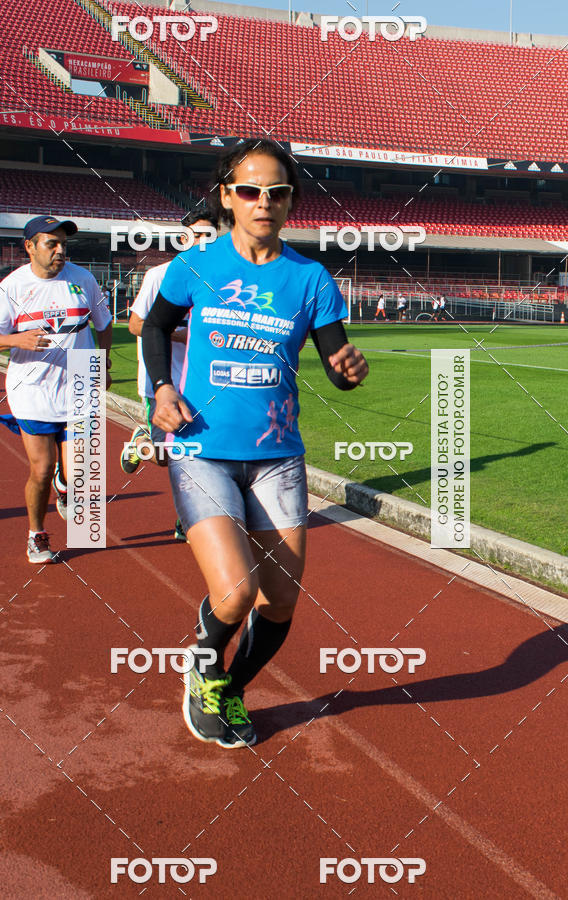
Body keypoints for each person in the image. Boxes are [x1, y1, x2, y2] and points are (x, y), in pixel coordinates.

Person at [142, 138, 368, 749]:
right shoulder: (197, 266)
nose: (262, 202)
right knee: (237, 591)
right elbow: (158, 326)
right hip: (201, 447)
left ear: (291, 201)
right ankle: (204, 670)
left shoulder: (310, 278)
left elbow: (334, 359)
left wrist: (348, 368)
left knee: (279, 604)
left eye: (277, 192)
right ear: (227, 197)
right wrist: (163, 389)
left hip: (277, 458)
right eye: (249, 190)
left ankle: (230, 685)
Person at [0, 216, 112, 563]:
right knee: (40, 469)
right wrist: (16, 339)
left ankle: (66, 486)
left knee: (81, 472)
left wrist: (104, 364)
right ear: (29, 247)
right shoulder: (14, 286)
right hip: (33, 389)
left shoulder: (83, 279)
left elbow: (104, 324)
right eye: (51, 244)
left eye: (63, 244)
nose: (60, 250)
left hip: (80, 383)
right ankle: (36, 535)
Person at [120, 207, 218, 543]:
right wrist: (182, 335)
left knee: (201, 454)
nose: (203, 243)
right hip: (162, 382)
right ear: (183, 239)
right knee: (166, 456)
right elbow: (136, 325)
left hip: (204, 382)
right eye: (197, 235)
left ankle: (186, 518)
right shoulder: (160, 275)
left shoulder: (222, 279)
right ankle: (143, 443)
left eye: (210, 236)